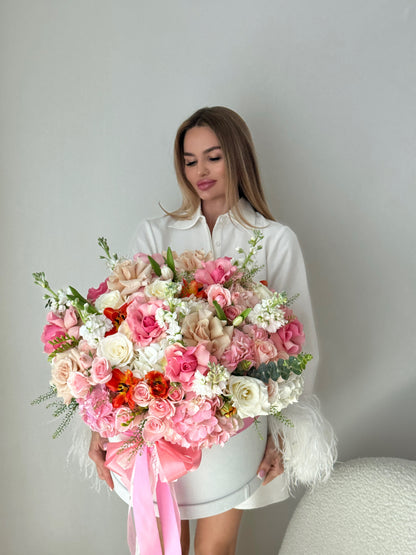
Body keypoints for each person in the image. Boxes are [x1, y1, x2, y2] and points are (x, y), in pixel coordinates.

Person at [89, 106, 319, 555]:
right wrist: (103, 421)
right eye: (190, 160)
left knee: (215, 549)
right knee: (160, 542)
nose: (201, 171)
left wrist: (285, 434)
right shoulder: (155, 234)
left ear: (237, 156)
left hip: (236, 425)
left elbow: (299, 342)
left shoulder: (275, 239)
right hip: (158, 422)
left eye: (212, 157)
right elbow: (118, 329)